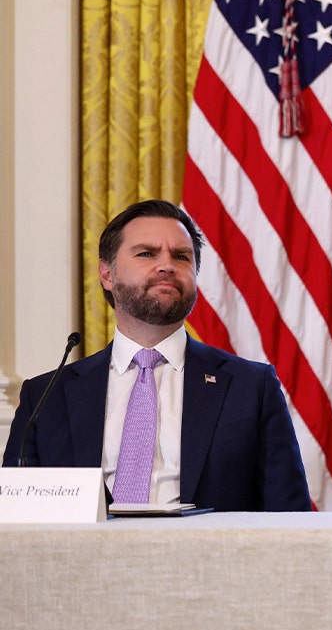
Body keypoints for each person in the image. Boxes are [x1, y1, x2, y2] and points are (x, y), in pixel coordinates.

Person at [2, 199, 311, 511]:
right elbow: (17, 516)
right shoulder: (45, 397)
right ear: (107, 274)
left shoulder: (251, 387)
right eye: (146, 253)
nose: (167, 266)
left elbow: (289, 515)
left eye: (181, 256)